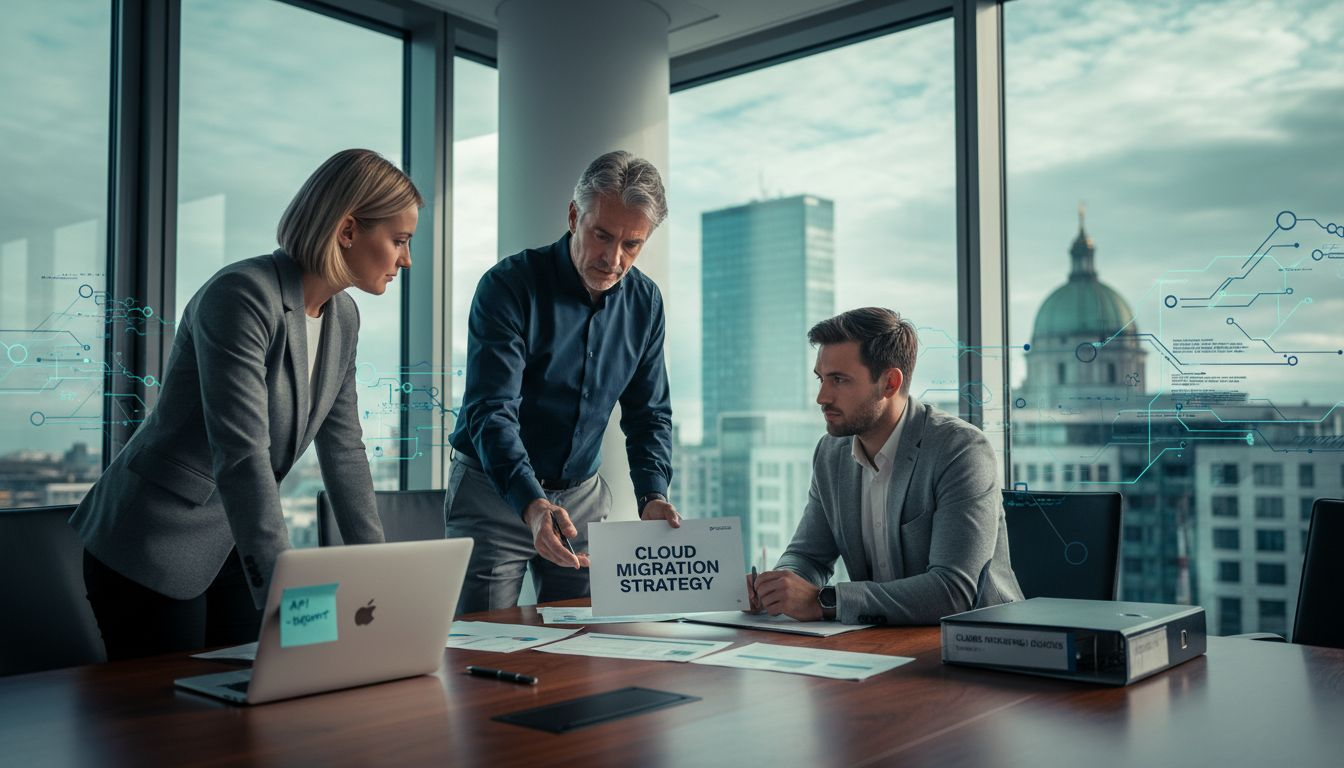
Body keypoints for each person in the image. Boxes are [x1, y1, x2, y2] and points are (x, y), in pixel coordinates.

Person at [71, 149, 420, 659]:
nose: (405, 260)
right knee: (174, 729)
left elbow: (344, 450)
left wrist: (378, 575)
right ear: (347, 230)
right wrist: (285, 587)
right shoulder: (241, 295)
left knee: (250, 712)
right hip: (154, 539)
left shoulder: (343, 317)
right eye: (400, 240)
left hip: (232, 540)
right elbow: (241, 452)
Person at [446, 150, 678, 612]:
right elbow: (491, 411)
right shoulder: (508, 287)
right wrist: (532, 505)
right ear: (575, 216)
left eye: (632, 244)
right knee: (483, 640)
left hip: (582, 497)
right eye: (602, 235)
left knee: (583, 643)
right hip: (494, 493)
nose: (613, 259)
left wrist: (653, 495)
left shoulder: (645, 303)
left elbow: (649, 412)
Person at [749, 307, 1023, 625]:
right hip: (883, 642)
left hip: (983, 646)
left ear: (890, 383)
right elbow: (808, 555)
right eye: (821, 379)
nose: (822, 397)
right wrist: (778, 587)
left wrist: (824, 601)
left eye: (838, 380)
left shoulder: (960, 450)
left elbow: (954, 592)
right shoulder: (831, 452)